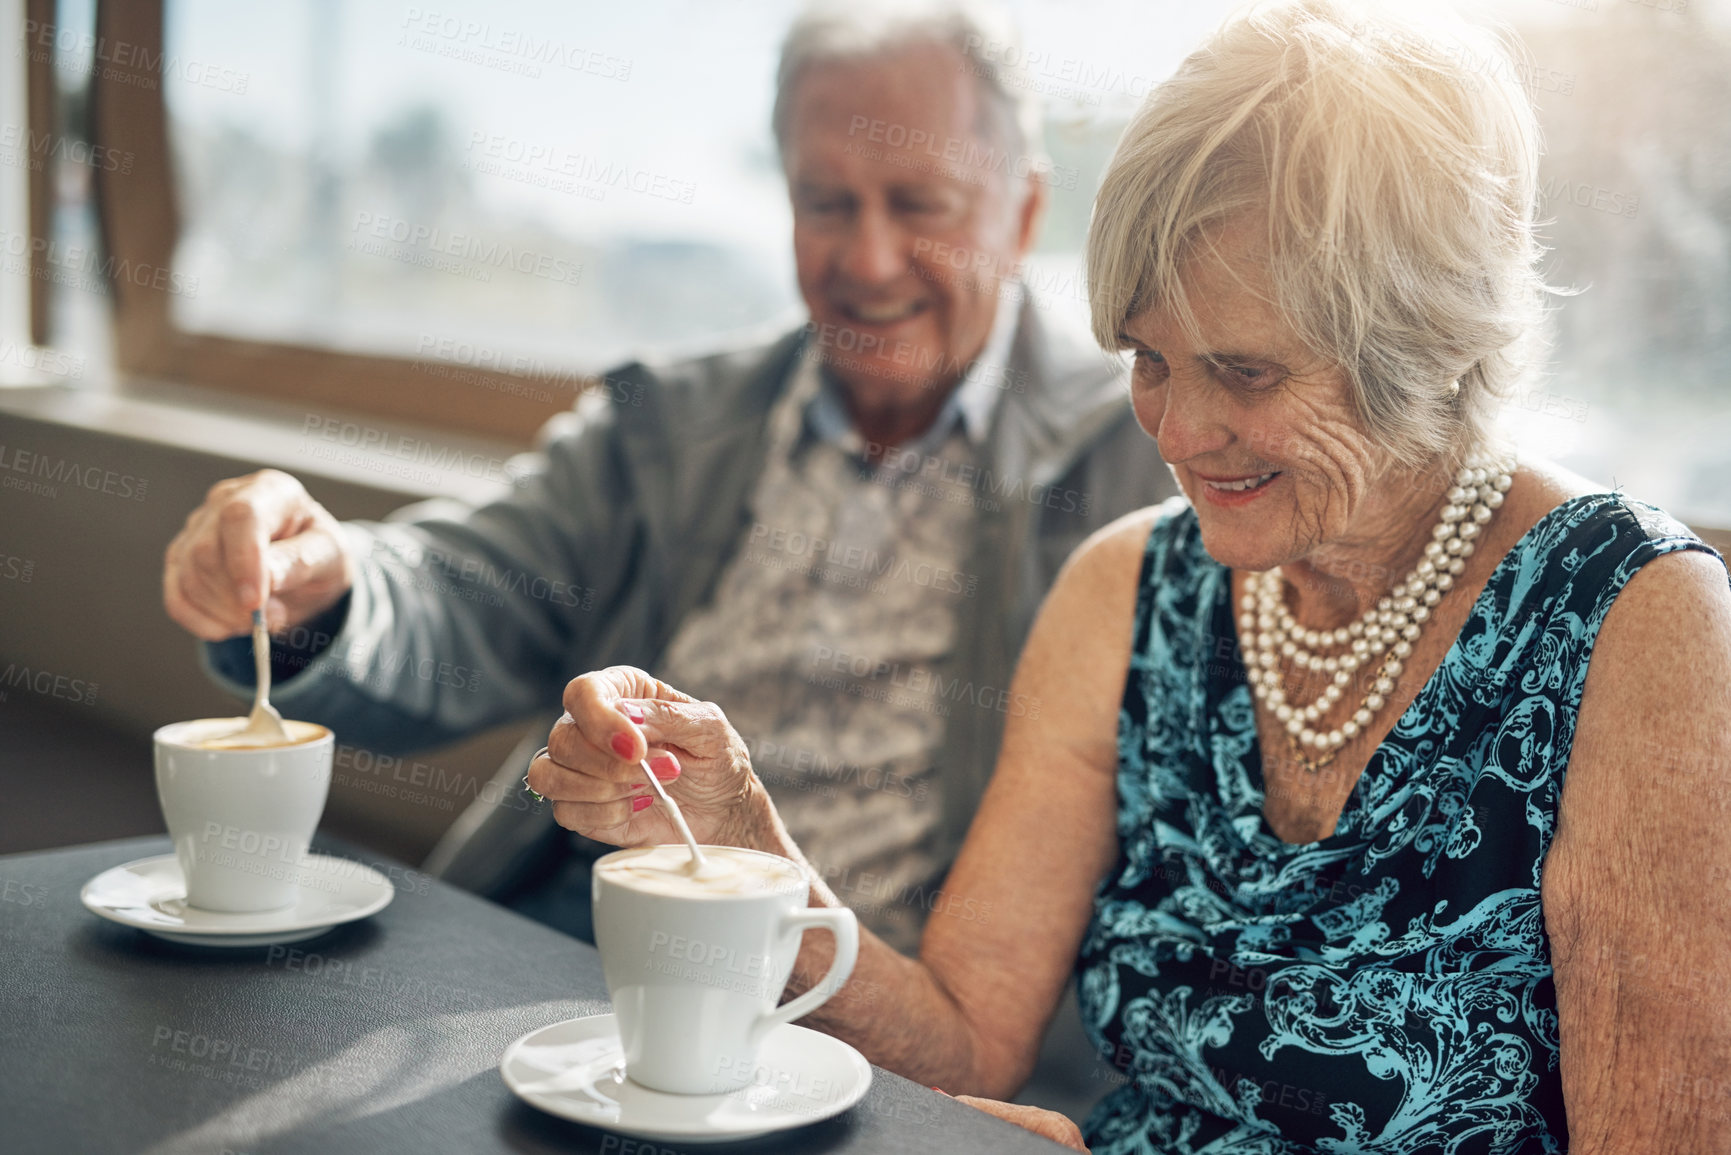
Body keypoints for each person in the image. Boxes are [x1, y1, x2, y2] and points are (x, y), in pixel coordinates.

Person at [524, 2, 1731, 1151]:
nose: (1179, 429)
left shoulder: (1638, 625)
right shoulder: (1128, 593)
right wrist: (746, 844)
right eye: (1150, 356)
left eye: (1247, 374)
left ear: (1430, 335)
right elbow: (965, 1040)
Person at [160, 0, 1173, 959]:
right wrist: (328, 587)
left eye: (919, 204)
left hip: (877, 1025)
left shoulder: (1144, 459)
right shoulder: (672, 424)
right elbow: (459, 594)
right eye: (826, 203)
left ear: (1024, 206)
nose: (868, 258)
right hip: (578, 962)